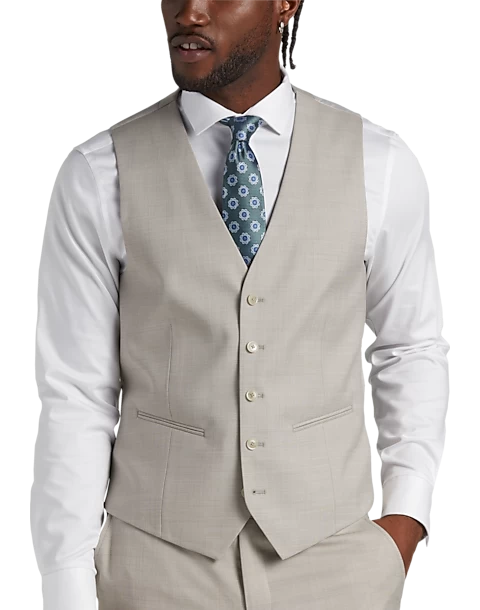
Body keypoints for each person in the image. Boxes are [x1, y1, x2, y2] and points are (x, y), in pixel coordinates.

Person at [30, 1, 451, 609]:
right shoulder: (99, 173)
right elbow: (75, 392)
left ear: (285, 4)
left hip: (336, 566)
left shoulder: (379, 162)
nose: (190, 11)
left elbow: (410, 347)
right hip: (154, 571)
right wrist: (67, 587)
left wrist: (406, 520)